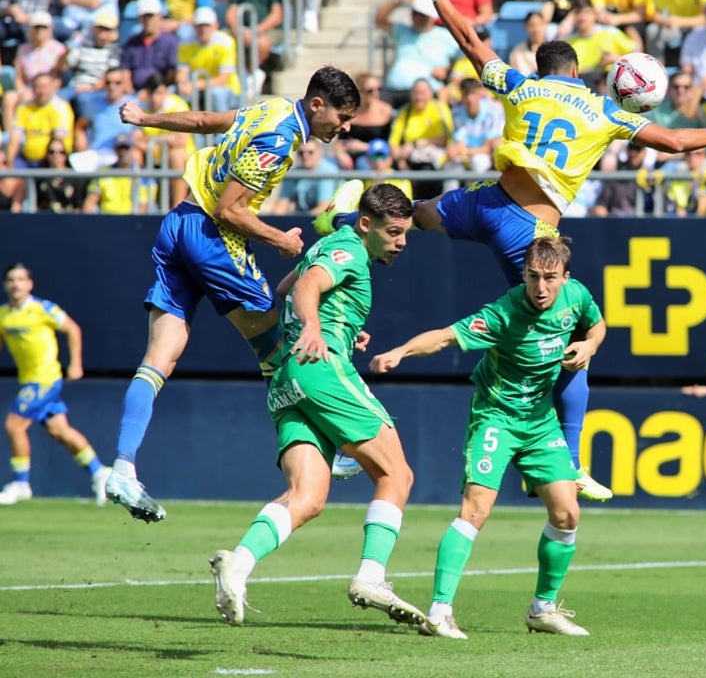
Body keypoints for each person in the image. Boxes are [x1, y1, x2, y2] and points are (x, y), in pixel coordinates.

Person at [317, 0, 706, 502]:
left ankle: (346, 215)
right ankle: (568, 461)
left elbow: (467, 39)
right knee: (571, 338)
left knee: (410, 219)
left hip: (486, 202)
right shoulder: (603, 110)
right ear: (578, 72)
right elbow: (674, 141)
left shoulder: (522, 86)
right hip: (528, 230)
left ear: (543, 67)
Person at [103, 66, 360, 523]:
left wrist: (145, 119)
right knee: (280, 348)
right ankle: (326, 447)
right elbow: (230, 210)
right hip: (211, 235)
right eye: (341, 117)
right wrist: (279, 240)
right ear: (317, 104)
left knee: (160, 357)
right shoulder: (279, 140)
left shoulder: (272, 107)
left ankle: (123, 467)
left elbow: (206, 122)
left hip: (178, 221)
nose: (344, 128)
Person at [209, 183, 425, 629]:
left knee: (307, 499)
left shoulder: (333, 244)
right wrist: (315, 327)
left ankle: (238, 563)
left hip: (286, 380)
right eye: (395, 232)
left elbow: (287, 286)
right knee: (396, 474)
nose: (403, 242)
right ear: (367, 224)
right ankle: (372, 576)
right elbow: (308, 284)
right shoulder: (349, 247)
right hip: (320, 368)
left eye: (406, 233)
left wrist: (340, 324)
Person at [368, 236, 605, 639]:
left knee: (568, 513)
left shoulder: (577, 297)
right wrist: (401, 353)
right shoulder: (502, 314)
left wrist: (589, 344)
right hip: (496, 417)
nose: (541, 287)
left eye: (550, 278)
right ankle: (439, 611)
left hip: (540, 421)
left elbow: (596, 325)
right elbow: (444, 337)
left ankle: (543, 609)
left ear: (566, 277)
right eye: (533, 277)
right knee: (476, 510)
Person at [0, 263, 111, 506]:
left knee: (14, 425)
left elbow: (72, 329)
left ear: (30, 284)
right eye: (11, 279)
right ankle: (101, 473)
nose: (16, 284)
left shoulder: (43, 308)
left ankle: (21, 483)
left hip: (45, 378)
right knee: (60, 431)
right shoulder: (4, 315)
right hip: (28, 380)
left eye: (20, 279)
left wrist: (75, 363)